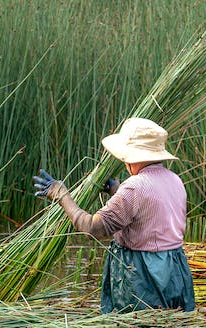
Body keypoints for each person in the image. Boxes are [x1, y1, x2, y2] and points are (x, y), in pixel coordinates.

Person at [32, 117, 196, 314]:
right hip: (174, 269)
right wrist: (116, 190)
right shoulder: (175, 180)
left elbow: (94, 228)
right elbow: (147, 212)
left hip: (144, 276)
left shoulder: (134, 187)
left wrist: (62, 196)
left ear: (131, 156)